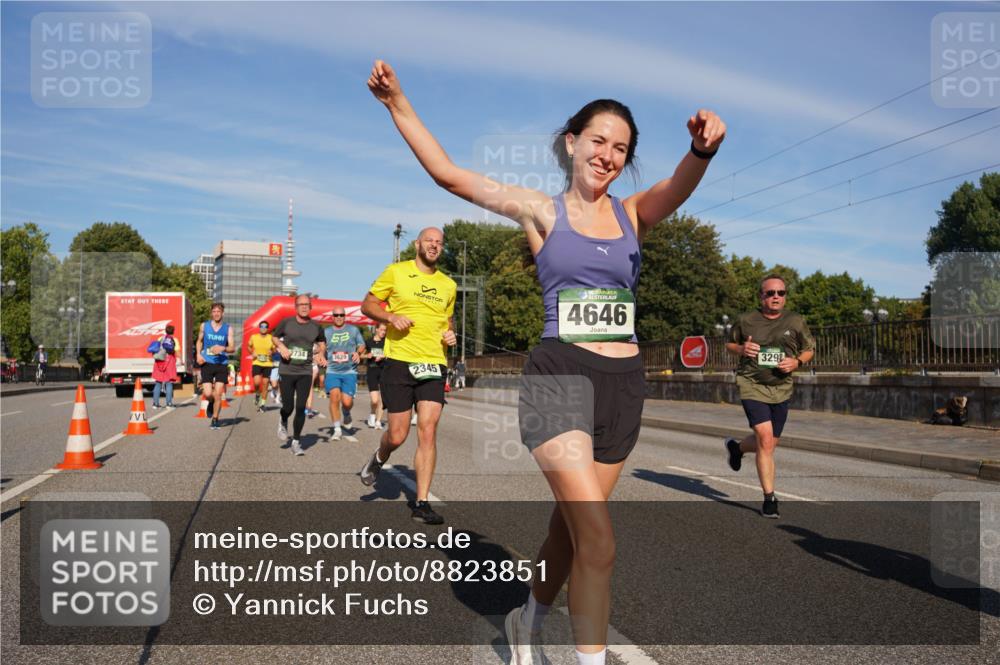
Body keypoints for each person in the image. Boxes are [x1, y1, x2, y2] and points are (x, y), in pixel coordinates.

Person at [367, 60, 725, 665]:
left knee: (571, 528)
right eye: (598, 141)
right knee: (600, 542)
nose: (608, 155)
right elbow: (450, 175)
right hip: (559, 379)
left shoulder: (633, 213)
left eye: (621, 148)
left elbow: (679, 185)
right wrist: (397, 101)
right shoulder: (540, 211)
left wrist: (701, 149)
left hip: (623, 386)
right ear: (571, 144)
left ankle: (527, 615)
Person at [358, 225, 458, 525]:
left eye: (439, 242)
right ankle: (379, 457)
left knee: (428, 429)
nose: (434, 246)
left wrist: (450, 336)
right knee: (398, 434)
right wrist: (390, 316)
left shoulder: (448, 285)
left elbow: (448, 323)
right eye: (429, 240)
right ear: (417, 244)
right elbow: (368, 304)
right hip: (400, 362)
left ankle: (422, 502)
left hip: (433, 364)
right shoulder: (396, 272)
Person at [725, 275, 815, 518]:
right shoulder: (746, 320)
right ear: (761, 296)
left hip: (781, 387)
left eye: (781, 293)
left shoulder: (795, 321)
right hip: (752, 383)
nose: (776, 297)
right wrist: (742, 349)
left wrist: (796, 362)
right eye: (770, 293)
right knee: (765, 439)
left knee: (770, 444)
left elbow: (809, 350)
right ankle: (769, 498)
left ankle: (737, 448)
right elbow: (729, 345)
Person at [273, 294, 326, 456]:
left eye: (307, 304)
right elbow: (275, 337)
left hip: (305, 371)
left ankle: (296, 442)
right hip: (287, 370)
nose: (304, 307)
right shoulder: (286, 323)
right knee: (288, 407)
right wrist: (281, 346)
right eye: (301, 304)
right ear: (296, 307)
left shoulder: (316, 327)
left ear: (310, 307)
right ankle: (283, 420)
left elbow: (322, 343)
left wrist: (320, 353)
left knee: (301, 407)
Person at [323, 308, 367, 441]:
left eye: (341, 315)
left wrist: (357, 353)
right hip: (332, 370)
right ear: (332, 317)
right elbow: (321, 347)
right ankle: (337, 429)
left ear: (345, 316)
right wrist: (320, 355)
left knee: (347, 402)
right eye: (336, 315)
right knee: (334, 397)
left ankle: (346, 412)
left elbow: (362, 344)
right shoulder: (327, 332)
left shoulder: (353, 330)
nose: (339, 317)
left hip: (349, 371)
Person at [196, 303, 234, 430]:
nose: (216, 313)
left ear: (223, 313)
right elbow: (199, 341)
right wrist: (198, 355)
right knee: (208, 393)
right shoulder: (204, 326)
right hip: (207, 362)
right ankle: (211, 402)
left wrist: (223, 347)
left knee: (218, 394)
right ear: (211, 313)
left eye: (219, 311)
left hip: (221, 364)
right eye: (214, 311)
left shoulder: (228, 328)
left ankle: (215, 419)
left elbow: (232, 348)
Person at [247, 320, 277, 412]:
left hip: (268, 363)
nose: (263, 328)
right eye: (262, 326)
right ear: (259, 328)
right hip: (257, 362)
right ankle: (257, 394)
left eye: (265, 327)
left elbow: (275, 349)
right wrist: (252, 352)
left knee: (265, 383)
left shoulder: (271, 338)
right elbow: (249, 346)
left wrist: (272, 352)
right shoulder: (254, 337)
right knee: (256, 382)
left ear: (268, 328)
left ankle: (262, 404)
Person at [364, 322, 388, 429]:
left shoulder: (387, 342)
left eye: (385, 330)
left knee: (382, 398)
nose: (383, 332)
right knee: (374, 400)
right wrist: (367, 355)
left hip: (384, 371)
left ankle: (378, 421)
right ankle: (372, 414)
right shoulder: (368, 342)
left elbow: (392, 353)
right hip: (372, 371)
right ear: (376, 329)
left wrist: (383, 356)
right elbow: (359, 355)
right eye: (382, 330)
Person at [151, 324, 178, 409]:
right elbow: (174, 351)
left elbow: (156, 349)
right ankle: (169, 403)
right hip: (169, 362)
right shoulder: (173, 339)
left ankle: (155, 404)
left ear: (165, 331)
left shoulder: (160, 338)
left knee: (158, 382)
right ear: (173, 331)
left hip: (159, 362)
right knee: (169, 383)